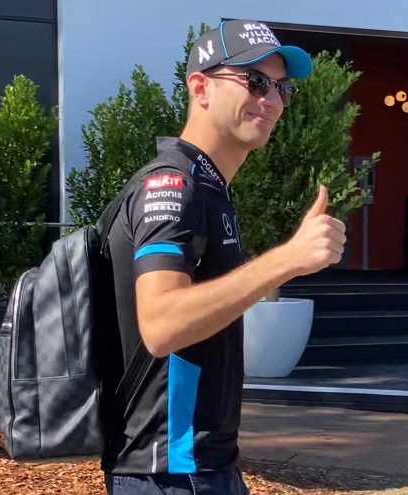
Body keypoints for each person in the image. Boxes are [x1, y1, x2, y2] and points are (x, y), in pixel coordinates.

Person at [101, 20, 346, 494]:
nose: (271, 99)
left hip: (200, 467)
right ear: (200, 88)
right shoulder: (174, 187)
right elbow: (161, 324)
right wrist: (287, 259)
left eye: (281, 88)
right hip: (171, 473)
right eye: (254, 81)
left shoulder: (208, 190)